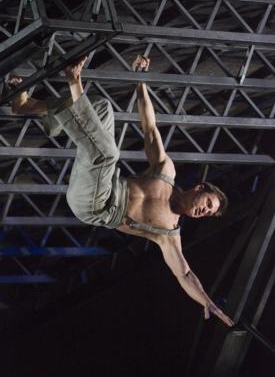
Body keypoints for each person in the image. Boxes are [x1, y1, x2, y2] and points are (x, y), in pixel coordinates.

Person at [9, 55, 233, 327]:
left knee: (107, 152)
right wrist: (140, 81)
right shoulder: (165, 171)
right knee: (102, 110)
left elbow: (184, 274)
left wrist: (205, 300)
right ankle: (28, 106)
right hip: (95, 179)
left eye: (206, 214)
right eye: (207, 204)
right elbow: (149, 128)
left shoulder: (169, 235)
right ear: (200, 188)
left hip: (96, 206)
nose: (202, 211)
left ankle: (73, 79)